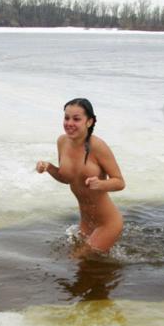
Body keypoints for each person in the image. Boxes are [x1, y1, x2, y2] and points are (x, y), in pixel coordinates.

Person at [36, 98, 125, 254]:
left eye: (76, 119)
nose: (69, 123)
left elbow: (120, 182)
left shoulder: (98, 146)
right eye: (66, 118)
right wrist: (49, 167)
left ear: (89, 122)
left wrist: (101, 184)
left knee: (79, 258)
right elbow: (67, 178)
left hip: (108, 223)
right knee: (83, 269)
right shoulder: (62, 142)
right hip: (86, 222)